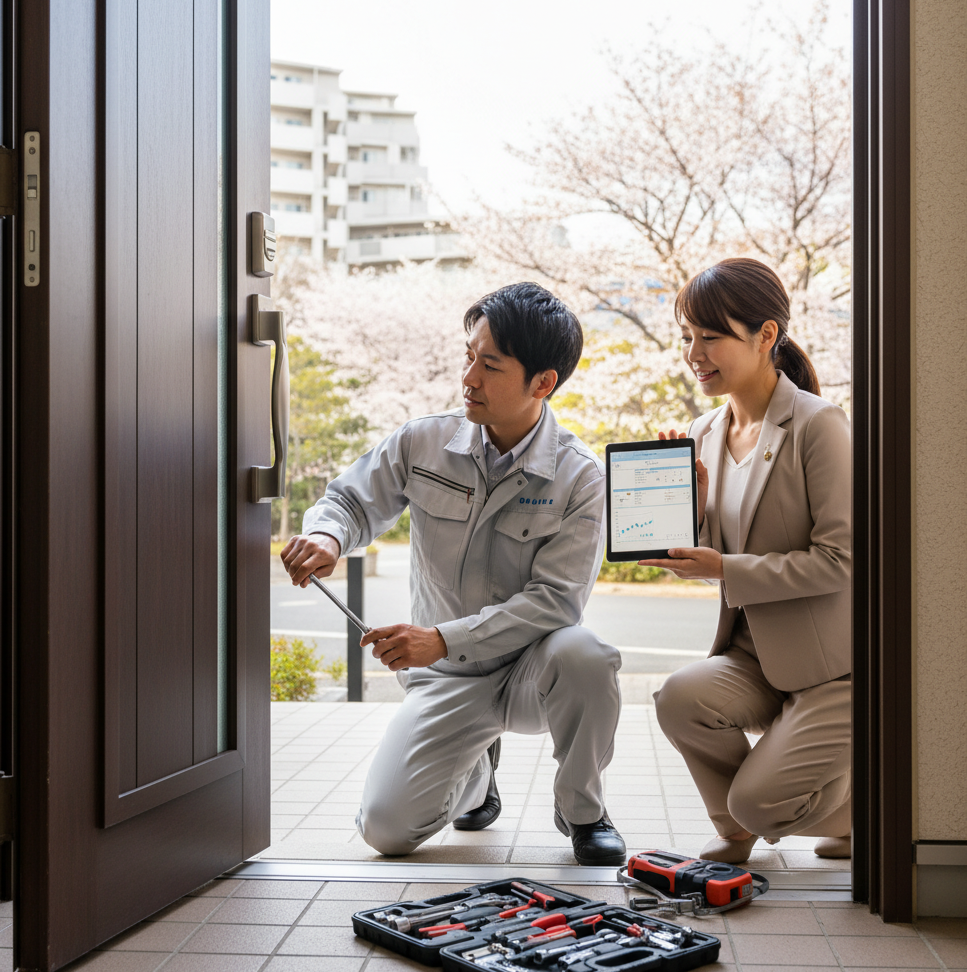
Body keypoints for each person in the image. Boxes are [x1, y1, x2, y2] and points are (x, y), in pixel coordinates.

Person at [280, 282, 627, 866]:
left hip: (530, 672)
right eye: (469, 356)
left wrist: (440, 638)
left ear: (543, 382)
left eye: (490, 365)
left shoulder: (580, 476)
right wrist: (326, 535)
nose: (468, 378)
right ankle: (475, 775)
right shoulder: (424, 440)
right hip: (444, 678)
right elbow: (351, 500)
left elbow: (554, 602)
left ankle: (582, 809)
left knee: (586, 654)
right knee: (386, 832)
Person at [640, 258, 852, 864]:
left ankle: (870, 805)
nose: (693, 352)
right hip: (752, 652)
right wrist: (691, 512)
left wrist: (724, 570)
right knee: (679, 698)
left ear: (765, 337)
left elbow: (841, 560)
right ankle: (736, 830)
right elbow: (727, 540)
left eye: (711, 336)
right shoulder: (704, 431)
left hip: (833, 669)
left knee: (758, 802)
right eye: (687, 336)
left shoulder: (818, 425)